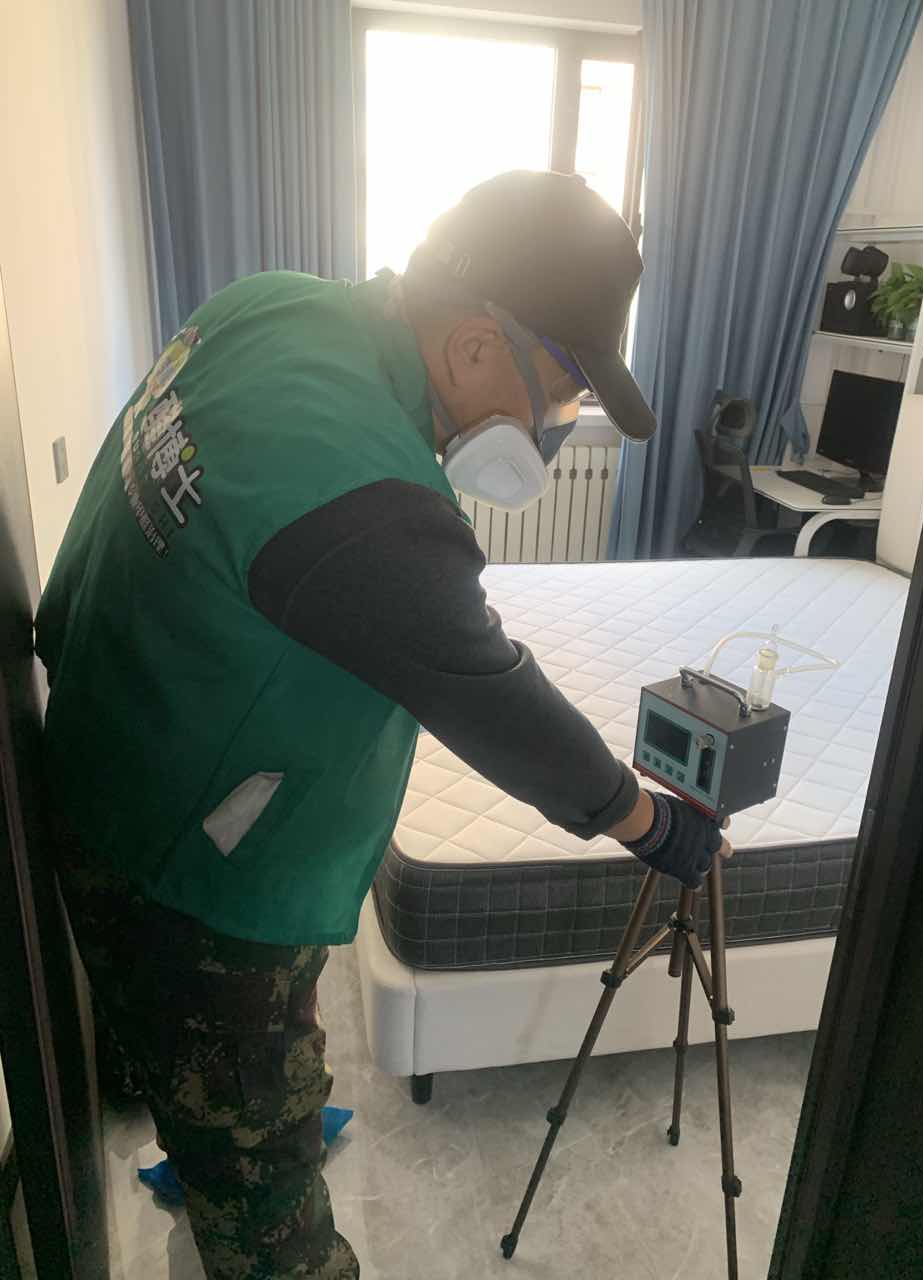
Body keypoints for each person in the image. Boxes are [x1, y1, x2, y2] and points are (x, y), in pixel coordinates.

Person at [35, 171, 732, 1279]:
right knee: (274, 1227)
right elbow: (498, 701)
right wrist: (648, 823)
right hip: (194, 885)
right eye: (560, 398)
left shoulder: (269, 303)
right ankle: (237, 1182)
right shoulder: (369, 501)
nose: (555, 430)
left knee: (206, 1078)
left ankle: (206, 1139)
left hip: (107, 756)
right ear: (472, 347)